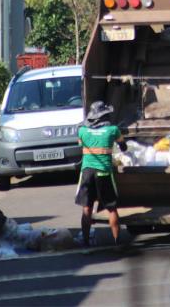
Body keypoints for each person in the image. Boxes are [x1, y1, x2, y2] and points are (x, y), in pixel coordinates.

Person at [75, 101, 127, 249]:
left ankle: (85, 245)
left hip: (87, 173)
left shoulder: (82, 131)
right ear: (104, 115)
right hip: (104, 172)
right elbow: (123, 147)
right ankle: (117, 243)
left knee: (87, 209)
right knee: (111, 208)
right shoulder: (113, 130)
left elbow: (80, 144)